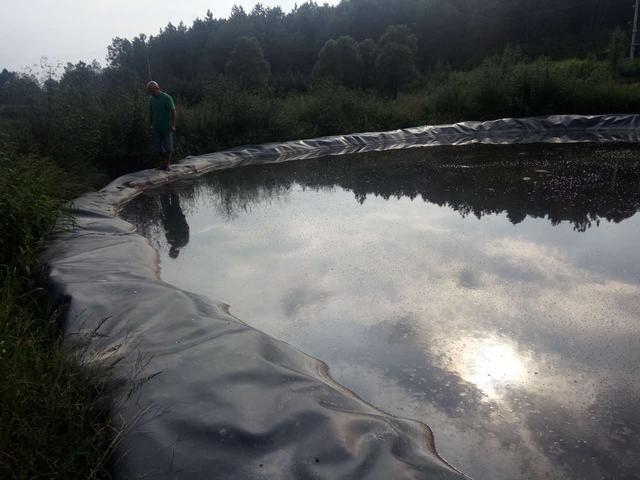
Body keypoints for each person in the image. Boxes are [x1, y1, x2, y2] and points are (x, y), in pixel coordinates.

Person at [147, 81, 176, 170]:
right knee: (157, 148)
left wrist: (173, 125)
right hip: (156, 127)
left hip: (167, 127)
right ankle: (163, 163)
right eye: (150, 91)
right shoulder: (151, 99)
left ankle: (167, 165)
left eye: (153, 90)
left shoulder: (166, 98)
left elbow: (173, 112)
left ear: (157, 88)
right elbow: (151, 113)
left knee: (168, 147)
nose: (152, 93)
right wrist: (151, 124)